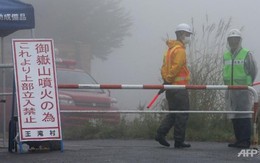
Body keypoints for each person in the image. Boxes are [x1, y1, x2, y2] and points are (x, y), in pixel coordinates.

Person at [155, 23, 192, 148]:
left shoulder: (170, 50)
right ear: (181, 34)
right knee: (182, 113)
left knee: (173, 113)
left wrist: (166, 81)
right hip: (179, 88)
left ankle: (161, 133)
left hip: (170, 88)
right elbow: (177, 67)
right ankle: (179, 141)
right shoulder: (180, 50)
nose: (188, 37)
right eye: (187, 35)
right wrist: (169, 80)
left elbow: (163, 67)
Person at [223, 29, 258, 148]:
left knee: (244, 115)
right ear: (228, 41)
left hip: (243, 90)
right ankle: (238, 140)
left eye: (236, 39)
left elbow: (253, 70)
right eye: (231, 40)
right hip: (230, 89)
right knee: (234, 115)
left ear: (239, 40)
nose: (233, 42)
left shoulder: (246, 54)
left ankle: (245, 140)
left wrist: (248, 84)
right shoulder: (226, 55)